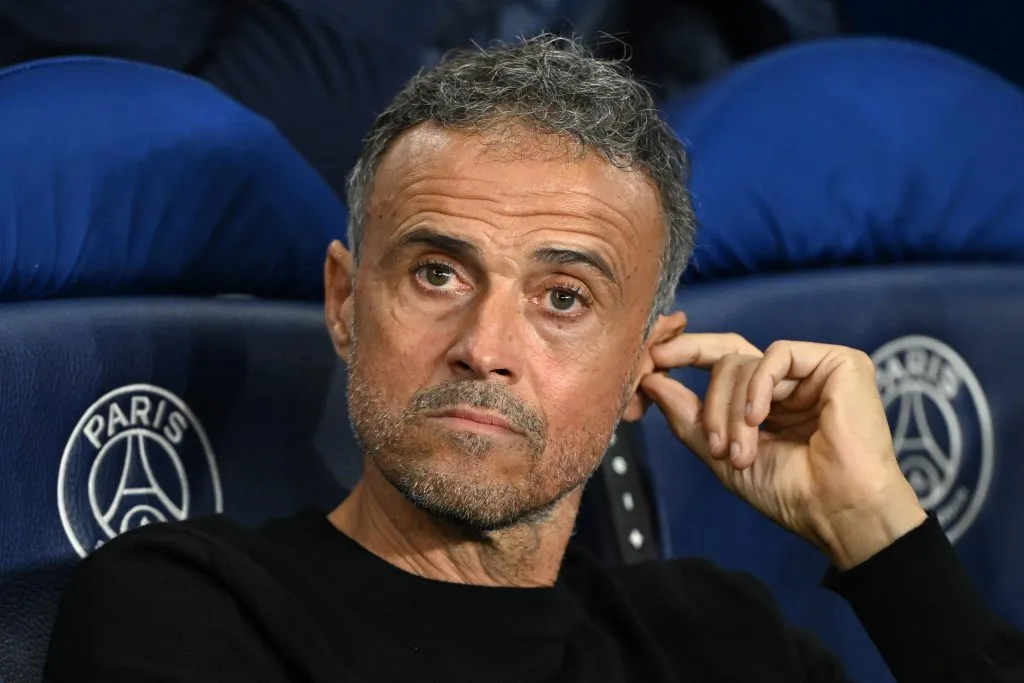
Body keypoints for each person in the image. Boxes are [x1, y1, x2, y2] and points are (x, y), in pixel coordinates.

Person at [42, 36, 1023, 682]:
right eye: (436, 273)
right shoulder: (184, 612)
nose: (484, 347)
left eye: (563, 297)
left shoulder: (719, 638)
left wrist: (874, 528)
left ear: (649, 355)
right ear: (346, 302)